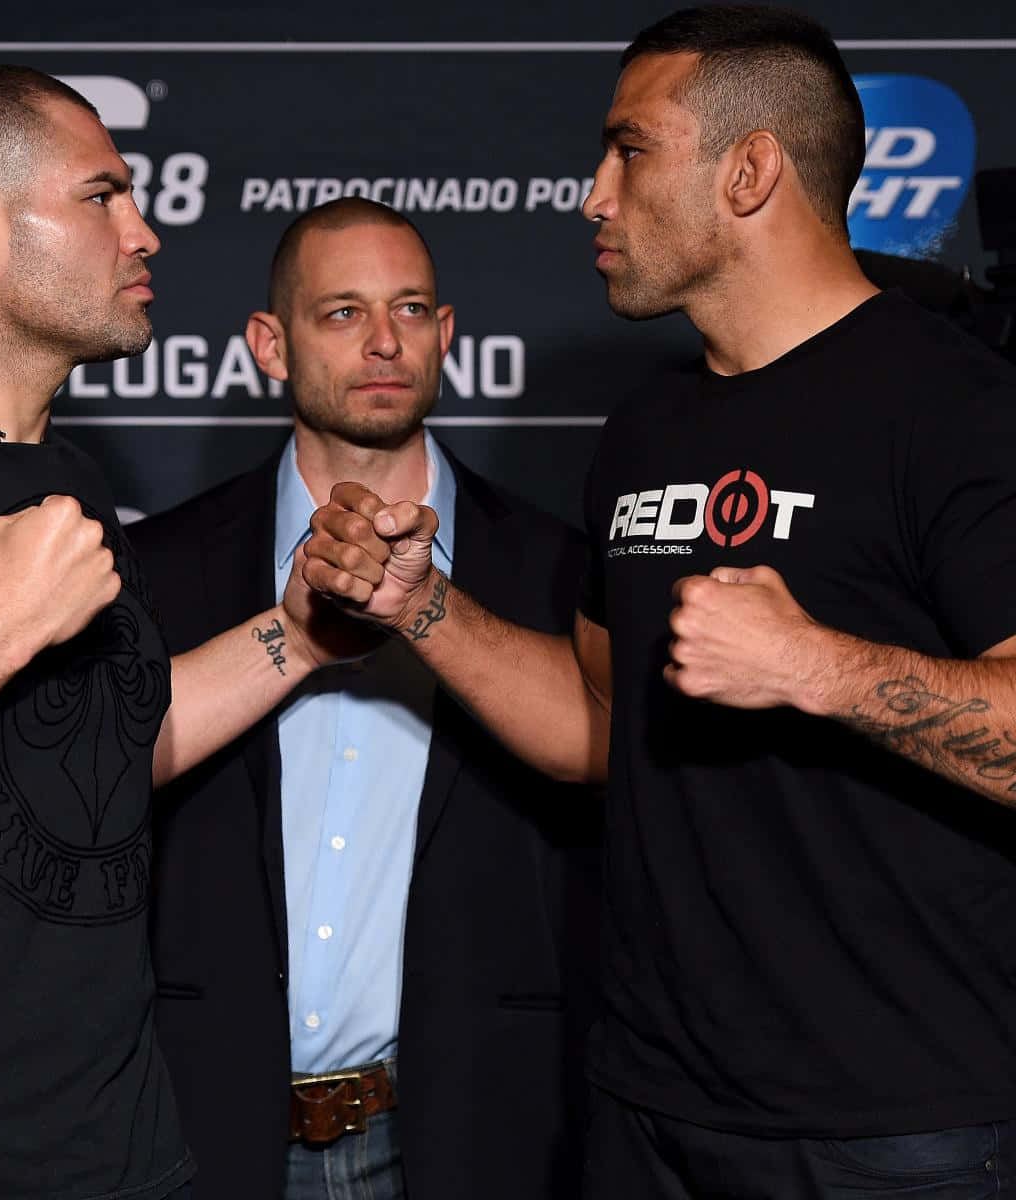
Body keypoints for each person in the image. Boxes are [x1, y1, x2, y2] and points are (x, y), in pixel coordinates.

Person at [301, 8, 1016, 1197]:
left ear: (750, 170)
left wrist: (819, 670)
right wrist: (422, 607)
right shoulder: (648, 427)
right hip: (651, 1103)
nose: (593, 194)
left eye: (630, 151)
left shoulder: (957, 408)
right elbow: (598, 722)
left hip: (894, 1126)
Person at [0, 66, 361, 1199]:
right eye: (102, 195)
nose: (146, 231)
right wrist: (2, 626)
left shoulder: (62, 472)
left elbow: (105, 755)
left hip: (121, 1158)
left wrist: (300, 638)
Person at [126, 197, 599, 1200]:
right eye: (341, 312)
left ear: (448, 335)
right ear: (270, 343)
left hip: (473, 1137)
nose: (385, 341)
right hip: (203, 1132)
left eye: (412, 310)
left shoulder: (561, 572)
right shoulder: (156, 571)